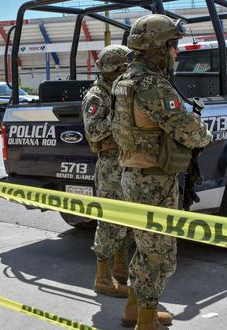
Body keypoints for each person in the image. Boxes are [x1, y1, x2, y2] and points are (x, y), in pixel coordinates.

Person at [111, 15, 212, 329]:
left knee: (144, 246)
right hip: (153, 180)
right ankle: (145, 321)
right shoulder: (152, 84)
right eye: (172, 46)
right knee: (159, 255)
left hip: (132, 173)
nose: (176, 53)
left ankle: (134, 309)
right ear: (157, 46)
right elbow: (188, 131)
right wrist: (206, 135)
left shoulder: (124, 79)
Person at [82, 45, 133, 298]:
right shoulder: (97, 95)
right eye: (125, 67)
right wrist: (123, 119)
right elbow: (93, 131)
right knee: (110, 221)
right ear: (116, 68)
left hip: (125, 163)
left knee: (126, 220)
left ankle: (121, 270)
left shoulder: (117, 90)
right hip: (110, 166)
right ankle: (102, 278)